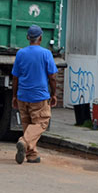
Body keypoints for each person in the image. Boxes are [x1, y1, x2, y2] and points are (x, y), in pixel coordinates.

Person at [11, 25, 58, 164]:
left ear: (27, 38)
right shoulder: (46, 54)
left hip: (23, 95)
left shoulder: (20, 53)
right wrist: (54, 94)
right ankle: (23, 141)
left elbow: (15, 77)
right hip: (39, 96)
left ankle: (32, 155)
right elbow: (53, 77)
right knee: (41, 122)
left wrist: (14, 96)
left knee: (28, 124)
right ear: (41, 38)